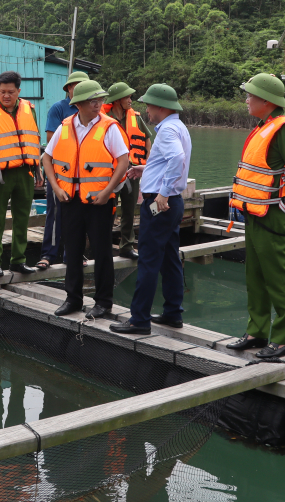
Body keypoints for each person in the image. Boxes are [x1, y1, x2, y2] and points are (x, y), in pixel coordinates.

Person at [224, 73, 285, 359]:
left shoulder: (284, 129)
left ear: (267, 101)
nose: (246, 99)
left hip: (274, 215)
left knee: (278, 278)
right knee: (255, 276)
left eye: (250, 95)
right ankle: (256, 332)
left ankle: (284, 340)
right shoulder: (265, 126)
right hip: (255, 212)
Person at [42, 80, 129, 319]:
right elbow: (46, 158)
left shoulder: (109, 127)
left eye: (100, 99)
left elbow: (123, 161)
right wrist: (56, 188)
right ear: (78, 104)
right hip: (70, 200)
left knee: (102, 252)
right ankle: (73, 300)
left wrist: (108, 191)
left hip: (99, 201)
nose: (98, 104)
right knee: (73, 250)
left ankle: (103, 303)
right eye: (93, 100)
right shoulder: (65, 126)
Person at [111, 84, 191, 336]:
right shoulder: (178, 127)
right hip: (173, 202)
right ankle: (172, 313)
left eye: (149, 105)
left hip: (160, 203)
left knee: (147, 259)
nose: (146, 109)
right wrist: (145, 170)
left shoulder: (167, 130)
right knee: (169, 258)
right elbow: (169, 161)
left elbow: (176, 159)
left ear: (161, 107)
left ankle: (139, 319)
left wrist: (163, 193)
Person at [0, 71, 44, 277]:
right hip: (1, 173)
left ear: (18, 91)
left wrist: (38, 169)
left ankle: (18, 261)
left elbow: (34, 139)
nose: (6, 95)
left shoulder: (29, 108)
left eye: (11, 92)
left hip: (26, 173)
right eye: (2, 91)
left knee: (22, 218)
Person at [38, 70, 89, 270]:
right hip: (61, 173)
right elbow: (51, 141)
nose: (79, 89)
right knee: (55, 214)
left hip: (84, 176)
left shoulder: (93, 112)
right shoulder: (58, 109)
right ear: (68, 88)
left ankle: (73, 253)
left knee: (80, 215)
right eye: (75, 85)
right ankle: (48, 255)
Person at [101, 82, 155, 260]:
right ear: (117, 100)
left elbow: (147, 140)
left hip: (132, 171)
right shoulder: (102, 118)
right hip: (110, 171)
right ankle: (103, 246)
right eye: (128, 97)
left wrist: (146, 161)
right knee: (108, 209)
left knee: (129, 210)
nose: (131, 100)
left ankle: (126, 246)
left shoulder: (136, 118)